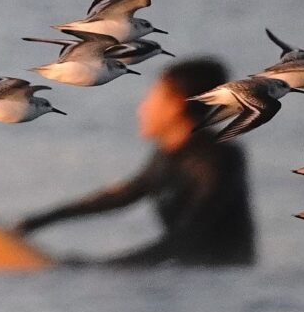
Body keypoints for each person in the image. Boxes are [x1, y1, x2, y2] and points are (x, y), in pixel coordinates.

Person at [14, 57, 255, 267]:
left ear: (176, 106)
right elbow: (122, 196)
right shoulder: (169, 155)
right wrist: (33, 223)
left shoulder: (217, 159)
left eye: (153, 99)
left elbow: (189, 238)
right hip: (192, 279)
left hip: (224, 286)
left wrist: (103, 268)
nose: (142, 109)